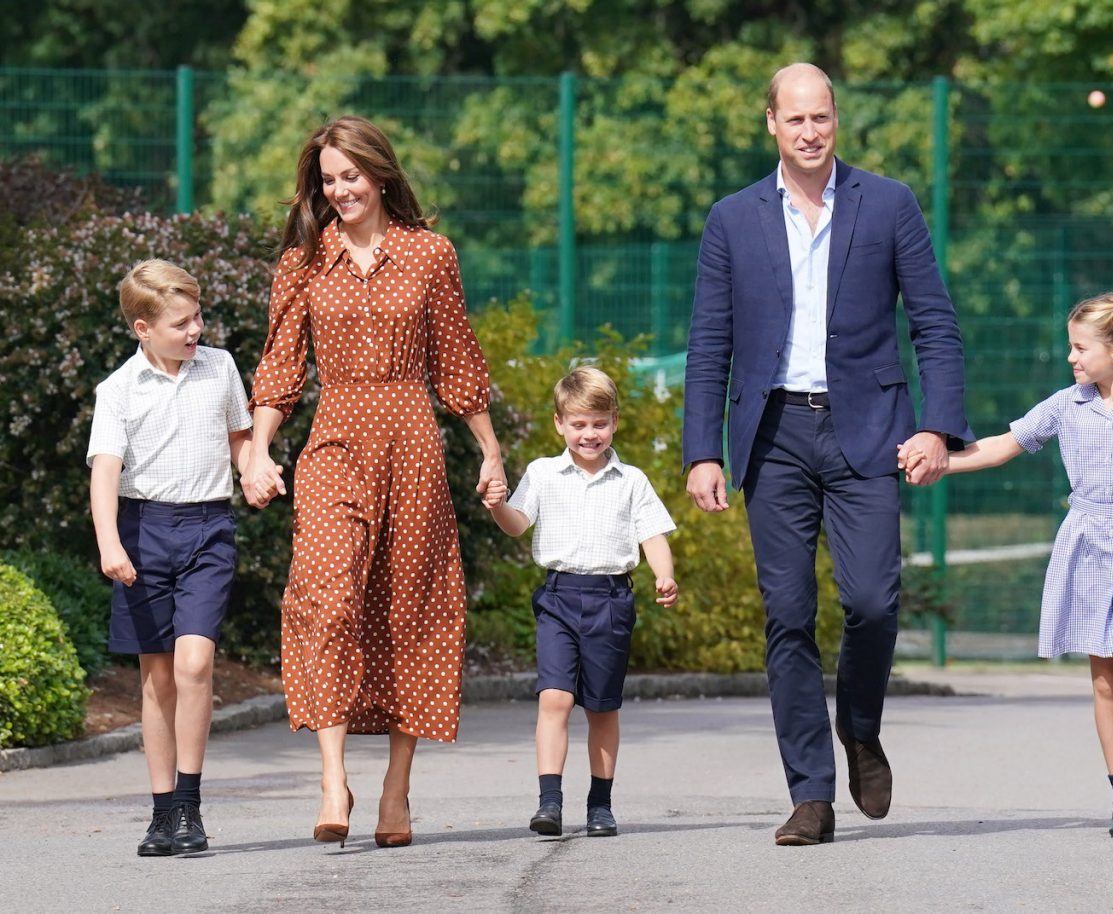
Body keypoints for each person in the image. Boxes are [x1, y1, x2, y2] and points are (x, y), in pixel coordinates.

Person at [682, 62, 972, 846]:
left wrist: (937, 428)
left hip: (870, 429)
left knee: (873, 601)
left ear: (836, 119)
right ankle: (810, 793)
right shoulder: (732, 218)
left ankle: (861, 727)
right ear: (771, 124)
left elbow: (935, 324)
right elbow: (709, 342)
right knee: (788, 615)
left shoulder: (889, 203)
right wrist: (702, 451)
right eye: (795, 119)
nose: (810, 132)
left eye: (822, 117)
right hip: (773, 434)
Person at [241, 115, 506, 849]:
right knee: (324, 594)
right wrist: (258, 451)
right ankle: (333, 779)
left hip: (412, 441)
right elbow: (281, 366)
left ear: (381, 175)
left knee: (406, 608)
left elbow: (457, 359)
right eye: (328, 180)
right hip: (334, 439)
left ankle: (396, 790)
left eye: (351, 176)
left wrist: (489, 451)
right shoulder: (304, 260)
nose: (339, 190)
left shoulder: (429, 254)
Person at [901, 291, 1113, 838]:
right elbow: (1002, 445)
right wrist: (941, 462)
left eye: (1079, 347)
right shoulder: (1067, 404)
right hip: (1086, 545)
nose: (1071, 357)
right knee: (1105, 678)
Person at [88, 259, 254, 856]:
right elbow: (105, 472)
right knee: (157, 678)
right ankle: (162, 814)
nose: (195, 330)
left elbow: (239, 438)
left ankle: (189, 805)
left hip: (208, 528)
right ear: (143, 328)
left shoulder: (220, 367)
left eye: (197, 317)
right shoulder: (118, 390)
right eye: (181, 323)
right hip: (143, 533)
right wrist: (110, 542)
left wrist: (254, 469)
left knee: (194, 665)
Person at [486, 366, 678, 838]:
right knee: (554, 698)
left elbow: (652, 533)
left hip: (610, 600)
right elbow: (517, 523)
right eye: (578, 424)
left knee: (601, 708)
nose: (589, 434)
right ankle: (549, 802)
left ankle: (600, 805)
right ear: (559, 424)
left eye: (599, 423)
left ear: (614, 422)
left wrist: (664, 574)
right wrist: (497, 506)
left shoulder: (631, 480)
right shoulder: (542, 473)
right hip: (558, 597)